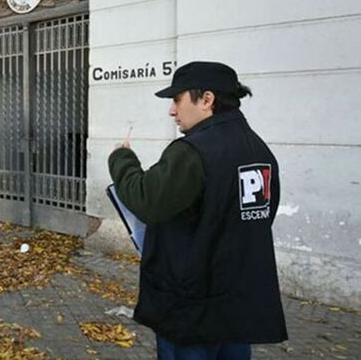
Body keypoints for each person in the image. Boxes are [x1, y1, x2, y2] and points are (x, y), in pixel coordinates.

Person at [108, 61, 287, 359]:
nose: (172, 110)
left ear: (206, 99)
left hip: (192, 308)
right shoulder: (258, 149)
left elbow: (147, 200)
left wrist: (122, 159)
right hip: (235, 304)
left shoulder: (192, 151)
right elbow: (262, 215)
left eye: (177, 100)